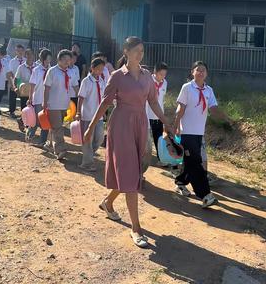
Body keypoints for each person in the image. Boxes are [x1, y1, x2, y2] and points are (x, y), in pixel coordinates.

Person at [83, 36, 173, 248]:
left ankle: (108, 202)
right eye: (136, 51)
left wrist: (166, 121)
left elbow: (152, 101)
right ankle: (136, 228)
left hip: (140, 124)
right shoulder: (116, 76)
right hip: (121, 125)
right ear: (126, 52)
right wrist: (89, 126)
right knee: (131, 173)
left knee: (132, 172)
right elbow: (105, 103)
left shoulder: (147, 77)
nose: (140, 55)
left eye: (142, 51)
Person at [173, 61, 235, 208]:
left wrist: (226, 118)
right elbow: (180, 108)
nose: (200, 72)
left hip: (199, 133)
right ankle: (205, 195)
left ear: (207, 73)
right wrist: (176, 126)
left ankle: (181, 183)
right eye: (198, 70)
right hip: (187, 132)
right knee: (196, 163)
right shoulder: (187, 88)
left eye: (203, 70)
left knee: (191, 161)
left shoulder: (209, 90)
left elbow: (213, 108)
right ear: (192, 72)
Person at [43, 50, 79, 160]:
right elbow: (47, 88)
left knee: (56, 126)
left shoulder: (71, 72)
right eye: (65, 60)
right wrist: (45, 102)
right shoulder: (52, 71)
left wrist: (82, 98)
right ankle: (60, 150)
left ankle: (49, 143)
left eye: (69, 60)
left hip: (65, 104)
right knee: (58, 127)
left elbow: (75, 87)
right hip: (53, 104)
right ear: (59, 60)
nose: (67, 62)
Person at [75, 57, 106, 172]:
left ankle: (88, 154)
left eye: (102, 69)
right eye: (98, 69)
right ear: (92, 68)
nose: (100, 71)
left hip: (99, 116)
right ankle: (87, 163)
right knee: (88, 138)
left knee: (99, 138)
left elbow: (103, 99)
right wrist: (78, 112)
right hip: (87, 115)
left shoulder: (102, 81)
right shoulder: (86, 81)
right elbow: (81, 97)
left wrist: (104, 112)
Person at [146, 62, 169, 167]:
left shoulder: (165, 83)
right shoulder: (147, 81)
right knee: (145, 138)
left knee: (159, 138)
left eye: (164, 74)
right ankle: (142, 157)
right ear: (155, 72)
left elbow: (161, 99)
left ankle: (161, 158)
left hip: (158, 115)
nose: (162, 77)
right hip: (146, 114)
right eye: (161, 74)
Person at [27, 49, 52, 146]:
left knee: (45, 121)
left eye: (50, 58)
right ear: (42, 58)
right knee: (37, 119)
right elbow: (32, 85)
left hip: (48, 100)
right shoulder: (36, 70)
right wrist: (30, 98)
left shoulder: (52, 70)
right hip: (37, 98)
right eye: (47, 58)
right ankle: (30, 134)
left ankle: (42, 140)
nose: (49, 60)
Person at [15, 49, 36, 131]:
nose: (30, 57)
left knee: (33, 110)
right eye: (28, 55)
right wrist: (16, 87)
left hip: (34, 91)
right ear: (25, 56)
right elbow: (16, 78)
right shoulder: (21, 67)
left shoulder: (37, 67)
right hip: (24, 91)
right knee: (25, 109)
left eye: (31, 55)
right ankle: (26, 125)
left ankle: (21, 121)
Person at [8, 44, 26, 118]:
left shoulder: (26, 60)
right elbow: (11, 72)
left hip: (24, 82)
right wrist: (13, 83)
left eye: (21, 51)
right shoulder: (12, 61)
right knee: (13, 97)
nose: (20, 52)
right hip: (15, 81)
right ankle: (12, 112)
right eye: (18, 51)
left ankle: (24, 113)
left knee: (24, 98)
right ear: (16, 52)